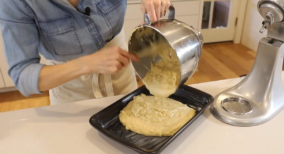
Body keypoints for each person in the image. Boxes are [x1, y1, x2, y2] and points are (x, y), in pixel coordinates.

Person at [0, 0, 170, 105]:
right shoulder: (15, 3)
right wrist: (85, 64)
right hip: (72, 92)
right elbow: (22, 75)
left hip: (122, 75)